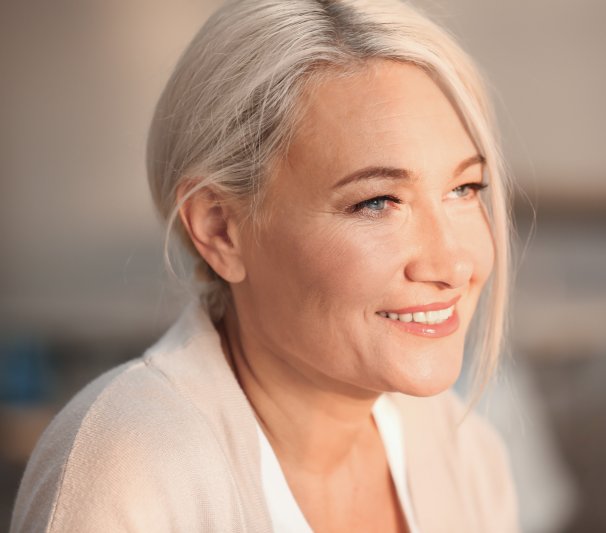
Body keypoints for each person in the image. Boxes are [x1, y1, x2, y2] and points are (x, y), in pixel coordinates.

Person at [11, 0, 517, 531]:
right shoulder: (129, 469)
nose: (452, 262)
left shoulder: (466, 458)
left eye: (464, 189)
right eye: (377, 202)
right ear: (219, 229)